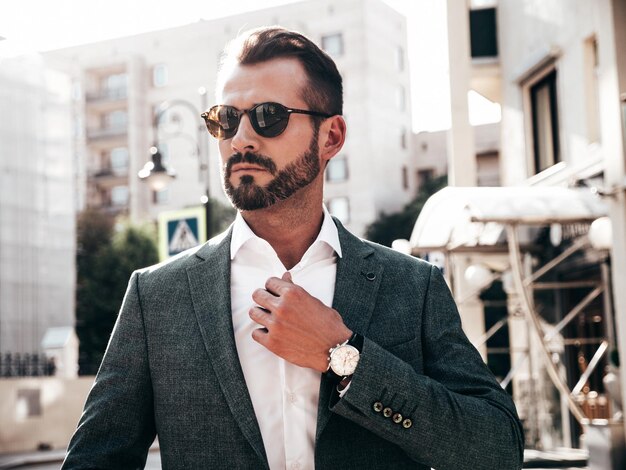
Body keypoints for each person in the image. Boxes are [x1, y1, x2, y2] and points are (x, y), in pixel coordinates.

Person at [62, 27, 524, 470]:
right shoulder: (157, 297)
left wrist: (345, 356)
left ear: (332, 137)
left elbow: (496, 449)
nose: (241, 138)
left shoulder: (411, 285)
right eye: (226, 119)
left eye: (268, 116)